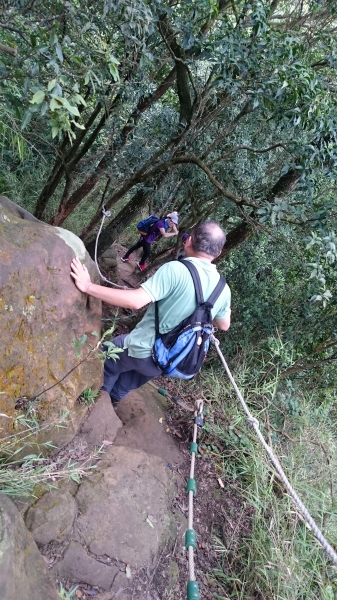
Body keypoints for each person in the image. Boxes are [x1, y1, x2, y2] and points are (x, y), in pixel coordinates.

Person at [70, 220, 231, 404]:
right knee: (127, 382)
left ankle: (96, 403)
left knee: (107, 355)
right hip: (168, 359)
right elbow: (223, 324)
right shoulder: (223, 289)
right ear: (218, 252)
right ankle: (112, 403)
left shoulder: (177, 269)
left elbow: (135, 301)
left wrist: (88, 286)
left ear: (189, 240)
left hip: (142, 347)